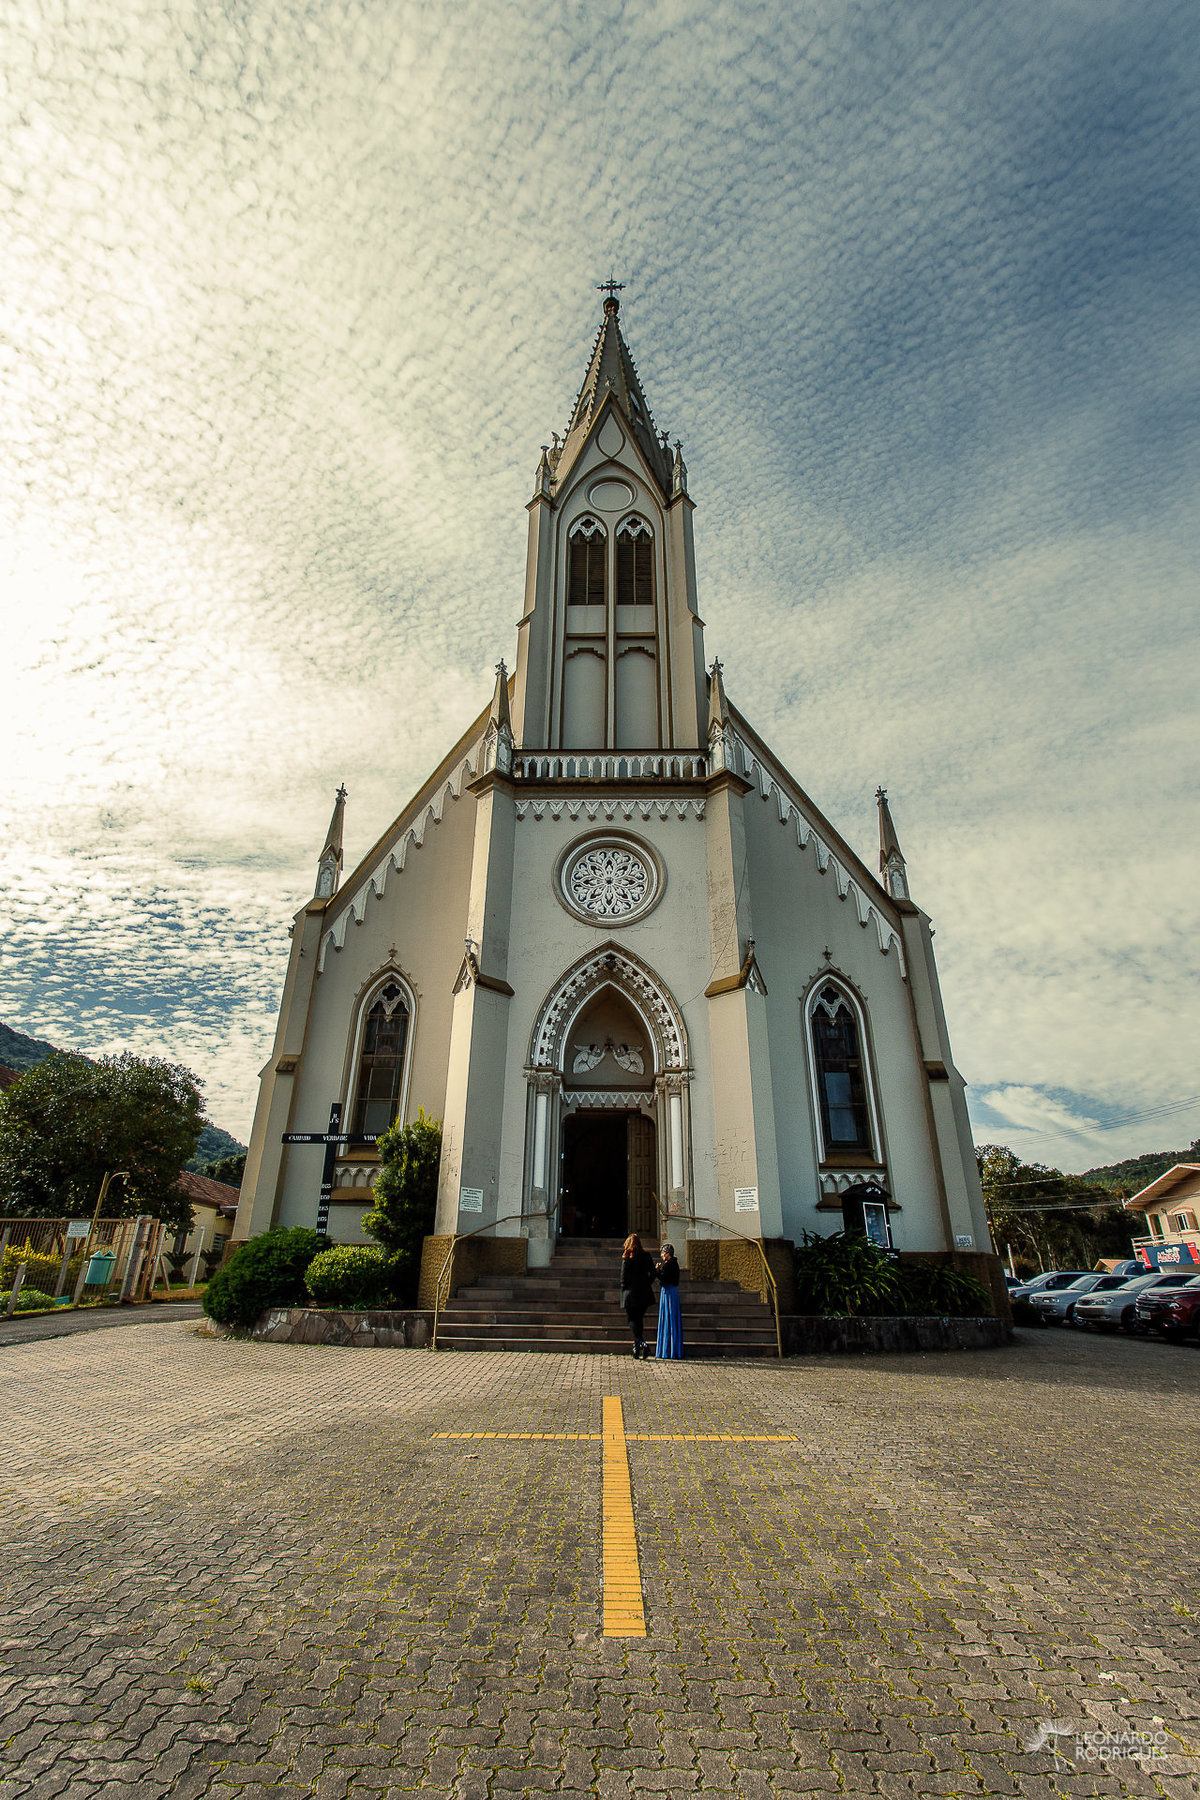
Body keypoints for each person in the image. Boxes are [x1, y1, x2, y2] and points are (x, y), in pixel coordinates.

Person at [619, 1233, 656, 1359]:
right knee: (639, 1319)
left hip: (630, 1294)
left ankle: (640, 1342)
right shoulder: (646, 1255)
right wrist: (647, 1284)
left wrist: (625, 1291)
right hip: (644, 1293)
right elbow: (653, 1273)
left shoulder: (627, 1257)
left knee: (632, 1320)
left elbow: (623, 1278)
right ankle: (637, 1348)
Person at [654, 1242, 683, 1360]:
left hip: (668, 1293)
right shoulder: (674, 1264)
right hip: (673, 1293)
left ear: (667, 1254)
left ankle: (667, 1350)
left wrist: (657, 1271)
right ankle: (674, 1349)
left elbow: (663, 1280)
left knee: (668, 1319)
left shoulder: (668, 1265)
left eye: (662, 1253)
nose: (661, 1255)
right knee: (673, 1320)